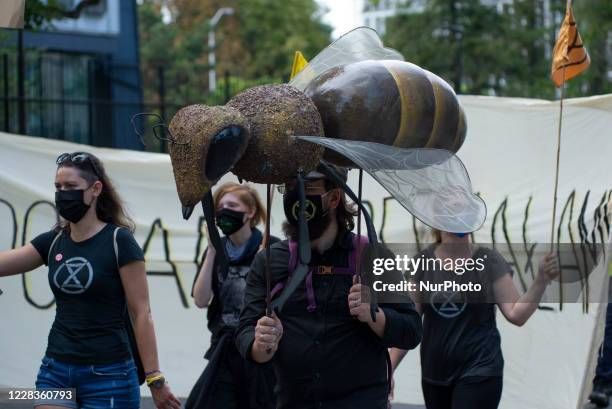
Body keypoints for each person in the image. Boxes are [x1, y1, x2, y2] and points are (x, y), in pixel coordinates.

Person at [0, 152, 180, 409]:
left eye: (71, 186)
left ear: (96, 189)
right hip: (55, 371)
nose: (63, 193)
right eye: (58, 187)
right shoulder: (53, 241)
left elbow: (141, 312)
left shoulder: (119, 241)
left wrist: (155, 378)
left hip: (110, 375)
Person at [236, 164, 423, 409]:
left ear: (334, 197)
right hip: (293, 401)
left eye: (307, 186)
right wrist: (261, 344)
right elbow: (245, 331)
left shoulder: (371, 256)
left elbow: (411, 330)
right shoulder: (270, 260)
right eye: (290, 187)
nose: (296, 194)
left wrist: (373, 314)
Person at [390, 229, 559, 409]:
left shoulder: (489, 261)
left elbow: (516, 314)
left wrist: (541, 281)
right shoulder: (421, 264)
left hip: (480, 369)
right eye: (451, 210)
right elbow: (409, 326)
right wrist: (388, 368)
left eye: (463, 209)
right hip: (435, 375)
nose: (457, 218)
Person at [187, 182, 278, 409]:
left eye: (232, 205)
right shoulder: (218, 250)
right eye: (221, 206)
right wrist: (211, 250)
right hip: (225, 348)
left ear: (250, 212)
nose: (224, 210)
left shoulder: (270, 247)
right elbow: (200, 299)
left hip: (258, 350)